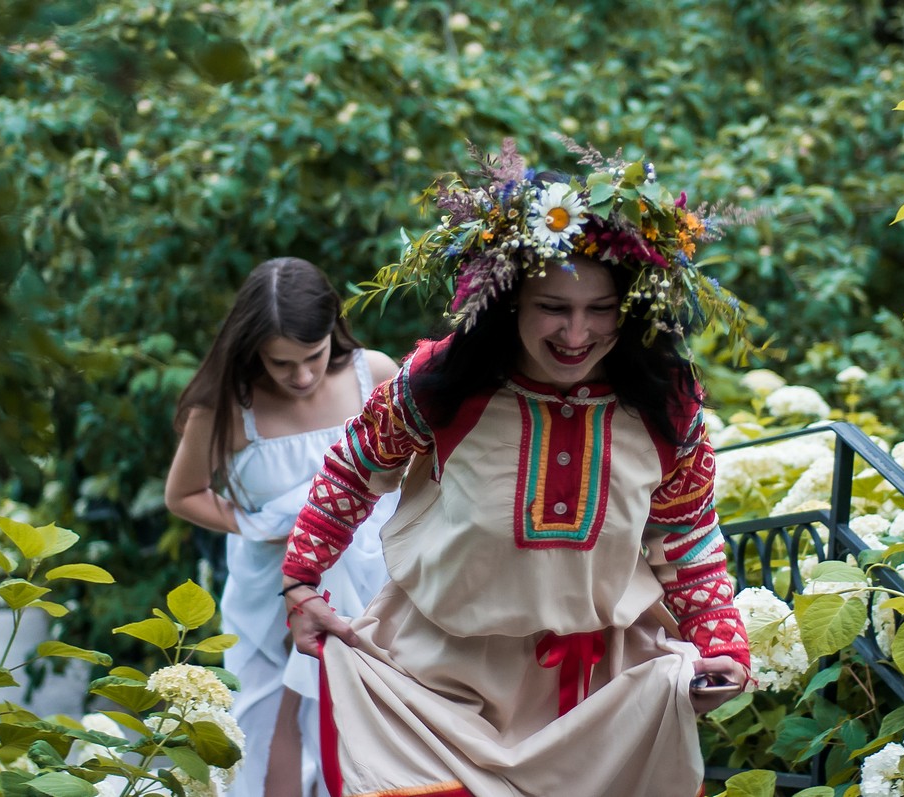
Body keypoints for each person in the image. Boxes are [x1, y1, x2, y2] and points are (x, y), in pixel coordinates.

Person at [279, 142, 757, 797]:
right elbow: (352, 472)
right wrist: (300, 585)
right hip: (439, 690)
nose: (576, 333)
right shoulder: (442, 384)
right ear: (508, 303)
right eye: (553, 308)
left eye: (600, 310)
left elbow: (688, 534)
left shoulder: (665, 401)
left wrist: (723, 644)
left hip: (599, 699)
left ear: (635, 305)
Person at [165, 257, 400, 797]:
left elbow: (412, 469)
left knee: (367, 720)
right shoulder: (229, 406)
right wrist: (261, 526)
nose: (300, 376)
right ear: (253, 352)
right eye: (281, 363)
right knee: (268, 722)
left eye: (313, 357)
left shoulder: (375, 374)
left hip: (370, 571)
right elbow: (183, 495)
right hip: (271, 584)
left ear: (332, 331)